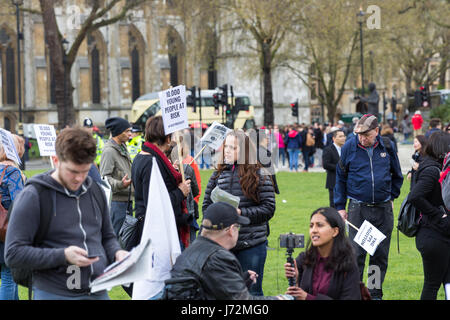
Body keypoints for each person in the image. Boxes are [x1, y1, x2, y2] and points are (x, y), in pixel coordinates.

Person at [5, 127, 128, 300]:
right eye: (73, 171)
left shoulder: (95, 190)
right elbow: (13, 254)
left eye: (85, 171)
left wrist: (118, 253)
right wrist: (62, 255)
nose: (79, 178)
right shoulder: (34, 195)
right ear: (56, 160)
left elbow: (107, 236)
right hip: (54, 293)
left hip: (97, 290)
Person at [334, 114, 404, 299]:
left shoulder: (387, 146)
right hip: (358, 208)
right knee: (356, 254)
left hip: (383, 209)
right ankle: (355, 292)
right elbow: (340, 178)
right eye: (359, 134)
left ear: (376, 131)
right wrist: (340, 207)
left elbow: (397, 174)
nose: (362, 138)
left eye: (366, 134)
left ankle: (374, 293)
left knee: (379, 255)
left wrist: (392, 197)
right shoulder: (349, 146)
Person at [203, 130, 276, 296]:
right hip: (222, 245)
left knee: (251, 293)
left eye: (233, 147)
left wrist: (239, 212)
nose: (227, 150)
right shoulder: (218, 174)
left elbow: (268, 208)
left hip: (250, 244)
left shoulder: (259, 174)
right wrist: (218, 217)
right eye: (226, 146)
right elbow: (206, 206)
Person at [165, 202, 286, 300]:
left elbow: (208, 287)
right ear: (231, 229)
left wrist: (240, 280)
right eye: (238, 227)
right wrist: (282, 299)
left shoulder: (192, 250)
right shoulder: (218, 257)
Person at [131, 116, 192, 250]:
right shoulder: (150, 161)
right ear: (167, 138)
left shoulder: (142, 157)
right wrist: (180, 192)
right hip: (157, 233)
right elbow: (154, 203)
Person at [284, 207, 361, 300]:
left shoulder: (348, 264)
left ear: (335, 231)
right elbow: (298, 294)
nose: (314, 230)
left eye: (319, 225)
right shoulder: (304, 259)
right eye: (311, 226)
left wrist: (308, 298)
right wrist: (295, 280)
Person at [408, 131, 450, 300]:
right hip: (433, 233)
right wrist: (438, 215)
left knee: (446, 281)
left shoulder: (431, 165)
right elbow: (415, 196)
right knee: (432, 284)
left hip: (439, 233)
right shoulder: (432, 169)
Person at [0, 135, 26, 300]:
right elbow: (20, 204)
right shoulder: (12, 171)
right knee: (10, 276)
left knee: (8, 275)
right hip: (7, 231)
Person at [100, 117, 133, 236]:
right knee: (117, 239)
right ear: (118, 132)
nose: (130, 134)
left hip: (127, 201)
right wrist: (121, 184)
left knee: (126, 239)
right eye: (127, 131)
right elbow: (104, 179)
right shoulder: (109, 151)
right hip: (117, 203)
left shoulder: (122, 147)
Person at [322, 130, 346, 208]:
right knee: (334, 205)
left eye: (343, 136)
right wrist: (340, 168)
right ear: (334, 138)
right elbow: (326, 164)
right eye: (340, 136)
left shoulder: (345, 149)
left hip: (345, 182)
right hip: (333, 181)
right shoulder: (328, 149)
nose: (343, 138)